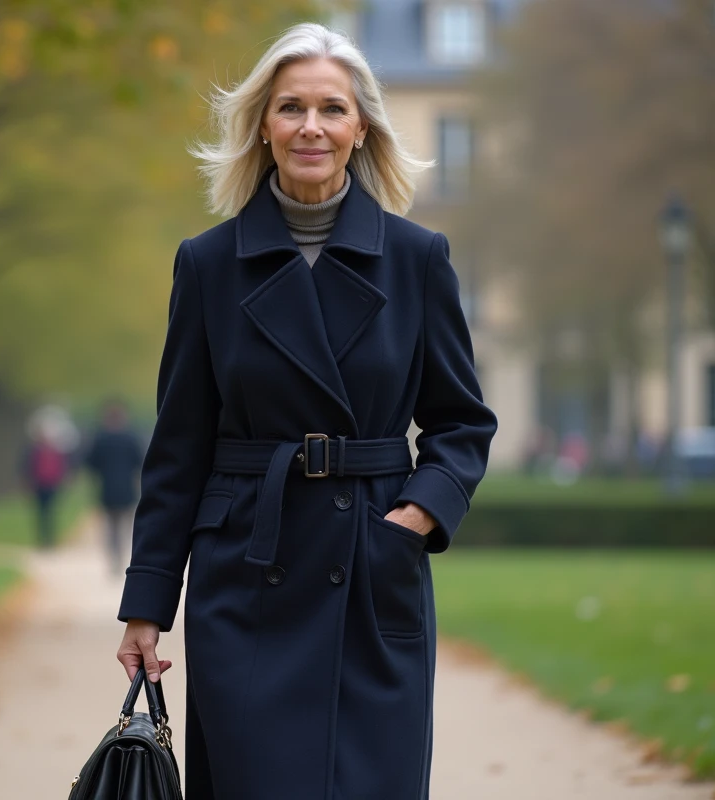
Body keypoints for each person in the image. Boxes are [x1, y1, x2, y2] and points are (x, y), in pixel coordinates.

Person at [113, 23, 498, 800]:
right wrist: (147, 606)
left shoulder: (419, 260)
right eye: (291, 107)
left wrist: (412, 521)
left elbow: (462, 425)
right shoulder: (209, 264)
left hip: (371, 574)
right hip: (248, 578)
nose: (311, 127)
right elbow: (179, 448)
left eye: (332, 108)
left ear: (361, 128)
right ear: (263, 123)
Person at [84, 398, 145, 576]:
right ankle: (119, 557)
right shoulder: (130, 438)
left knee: (111, 527)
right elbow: (140, 462)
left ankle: (114, 558)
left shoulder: (101, 438)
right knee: (123, 526)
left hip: (108, 489)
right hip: (126, 489)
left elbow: (91, 464)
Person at [21, 416, 70, 549]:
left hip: (52, 485)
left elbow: (61, 468)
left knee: (51, 512)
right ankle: (42, 539)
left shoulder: (55, 451)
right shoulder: (34, 451)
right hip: (39, 484)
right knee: (41, 513)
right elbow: (28, 467)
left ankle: (49, 538)